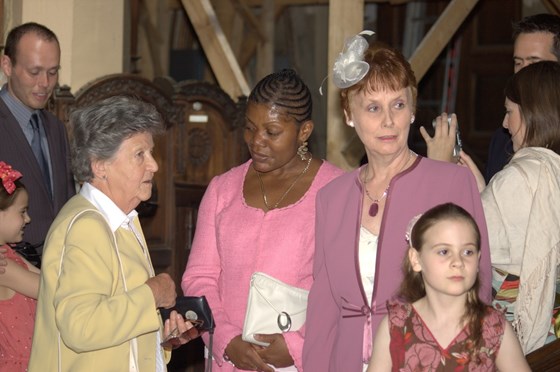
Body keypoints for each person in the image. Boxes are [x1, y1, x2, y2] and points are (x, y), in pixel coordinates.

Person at [302, 37, 491, 372]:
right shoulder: (331, 198)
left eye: (398, 105)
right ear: (349, 114)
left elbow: (477, 293)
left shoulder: (451, 183)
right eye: (373, 108)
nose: (388, 121)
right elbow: (323, 309)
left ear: (413, 109)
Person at [181, 69, 344, 372]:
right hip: (227, 361)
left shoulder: (337, 191)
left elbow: (344, 287)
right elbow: (198, 278)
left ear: (304, 131)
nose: (257, 141)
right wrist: (226, 340)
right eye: (250, 128)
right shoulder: (222, 189)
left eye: (272, 132)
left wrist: (298, 345)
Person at [28, 96, 194, 371]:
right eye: (140, 154)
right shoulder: (86, 226)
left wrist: (162, 338)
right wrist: (151, 294)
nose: (154, 165)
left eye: (151, 153)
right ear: (100, 165)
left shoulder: (123, 219)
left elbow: (118, 323)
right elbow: (81, 327)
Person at [459, 60, 560, 354]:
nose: (505, 124)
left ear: (533, 114)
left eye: (509, 112)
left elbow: (471, 245)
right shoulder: (551, 168)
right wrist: (485, 190)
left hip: (520, 340)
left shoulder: (521, 176)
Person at [367, 203, 529, 372]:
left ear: (478, 259)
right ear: (416, 259)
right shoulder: (396, 327)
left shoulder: (494, 328)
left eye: (468, 252)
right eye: (444, 251)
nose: (458, 262)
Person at [420, 13, 560, 181]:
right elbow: (495, 205)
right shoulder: (504, 137)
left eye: (534, 63)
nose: (522, 73)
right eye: (518, 63)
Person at [0, 22, 75, 262]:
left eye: (53, 72)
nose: (45, 83)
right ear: (7, 66)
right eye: (34, 72)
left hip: (57, 269)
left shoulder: (56, 129)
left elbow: (65, 205)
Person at [0, 161, 40, 371]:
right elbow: (50, 289)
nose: (28, 218)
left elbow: (47, 278)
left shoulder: (8, 252)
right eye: (22, 212)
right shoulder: (2, 265)